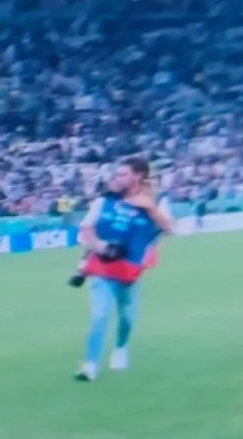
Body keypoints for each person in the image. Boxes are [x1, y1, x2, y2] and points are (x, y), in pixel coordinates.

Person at [71, 157, 173, 381]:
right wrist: (100, 245)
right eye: (116, 174)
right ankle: (90, 365)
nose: (117, 179)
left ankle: (120, 348)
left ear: (138, 176)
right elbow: (86, 229)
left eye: (123, 174)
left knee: (127, 316)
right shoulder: (104, 201)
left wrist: (150, 209)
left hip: (130, 271)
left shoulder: (156, 201)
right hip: (103, 267)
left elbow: (169, 228)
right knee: (99, 316)